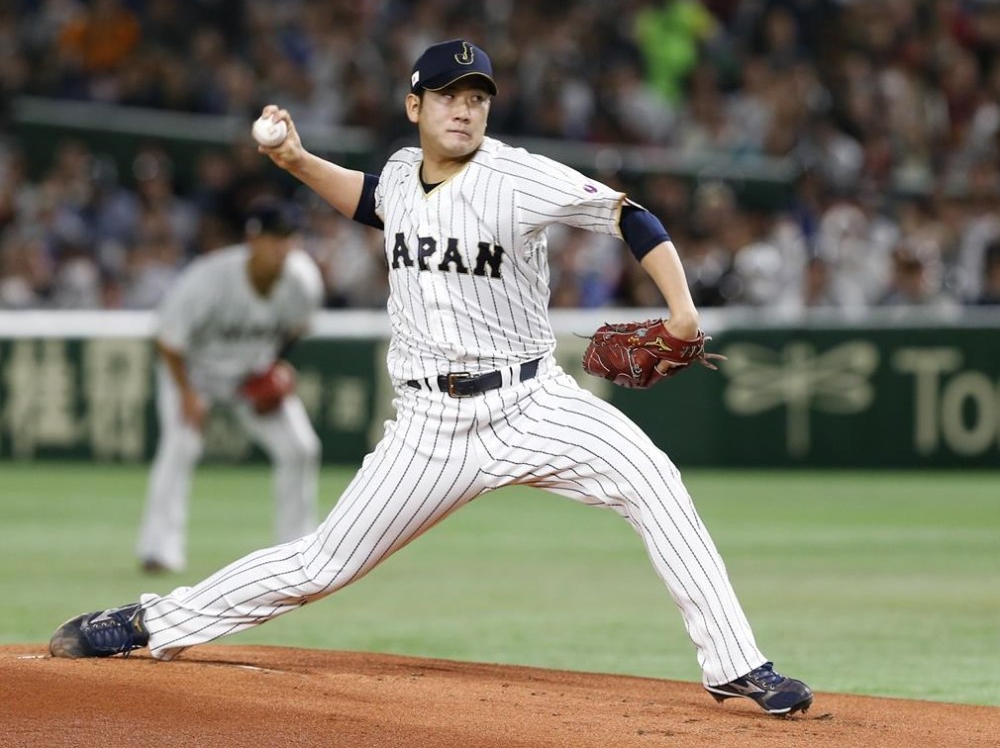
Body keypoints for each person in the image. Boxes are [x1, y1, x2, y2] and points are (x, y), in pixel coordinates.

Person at [50, 40, 813, 717]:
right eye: (449, 95)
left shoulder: (517, 177)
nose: (465, 109)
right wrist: (295, 162)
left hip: (531, 402)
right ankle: (153, 622)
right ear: (415, 105)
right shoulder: (403, 175)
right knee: (320, 564)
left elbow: (631, 217)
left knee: (653, 481)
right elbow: (372, 201)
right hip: (429, 427)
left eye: (477, 97)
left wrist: (680, 312)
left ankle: (737, 666)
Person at [135, 199, 324, 573]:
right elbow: (168, 341)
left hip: (248, 376)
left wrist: (277, 364)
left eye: (289, 238)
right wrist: (187, 395)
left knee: (301, 447)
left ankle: (298, 548)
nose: (282, 247)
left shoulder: (302, 280)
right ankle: (160, 549)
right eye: (274, 238)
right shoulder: (210, 278)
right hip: (194, 374)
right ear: (253, 240)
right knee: (180, 447)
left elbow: (298, 327)